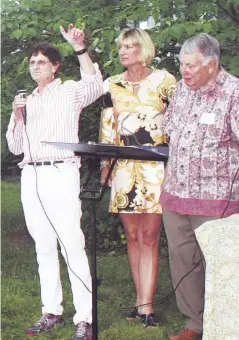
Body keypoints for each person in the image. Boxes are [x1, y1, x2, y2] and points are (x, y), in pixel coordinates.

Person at [6, 24, 103, 340]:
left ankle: (85, 319)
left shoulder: (69, 91)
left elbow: (95, 84)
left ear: (55, 66)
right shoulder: (25, 101)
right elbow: (15, 147)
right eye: (32, 62)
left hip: (61, 173)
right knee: (43, 247)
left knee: (71, 245)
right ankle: (51, 311)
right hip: (31, 175)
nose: (36, 66)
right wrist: (18, 118)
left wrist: (79, 48)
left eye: (42, 62)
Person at [160, 33, 239, 340]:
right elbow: (169, 125)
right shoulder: (181, 89)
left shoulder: (233, 92)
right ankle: (194, 326)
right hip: (176, 194)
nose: (184, 71)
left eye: (191, 66)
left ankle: (227, 328)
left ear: (212, 64)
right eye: (182, 64)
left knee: (225, 267)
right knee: (183, 263)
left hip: (217, 200)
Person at [99, 27, 176, 328]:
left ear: (143, 49)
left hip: (156, 169)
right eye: (121, 46)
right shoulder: (112, 84)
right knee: (132, 237)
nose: (124, 51)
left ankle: (148, 306)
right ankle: (139, 302)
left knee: (150, 237)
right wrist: (105, 166)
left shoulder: (165, 81)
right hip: (124, 169)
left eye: (130, 46)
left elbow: (178, 120)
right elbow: (107, 129)